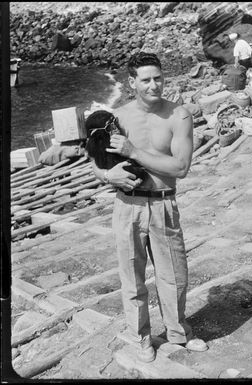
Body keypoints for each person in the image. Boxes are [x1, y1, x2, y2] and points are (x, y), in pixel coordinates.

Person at [88, 51, 208, 362]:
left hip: (164, 204)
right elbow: (97, 163)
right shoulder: (119, 117)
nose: (154, 85)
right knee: (132, 276)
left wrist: (133, 151)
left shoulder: (178, 115)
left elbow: (180, 167)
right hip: (127, 205)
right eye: (146, 80)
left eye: (158, 78)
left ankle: (178, 332)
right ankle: (140, 336)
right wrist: (107, 174)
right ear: (132, 83)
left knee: (175, 276)